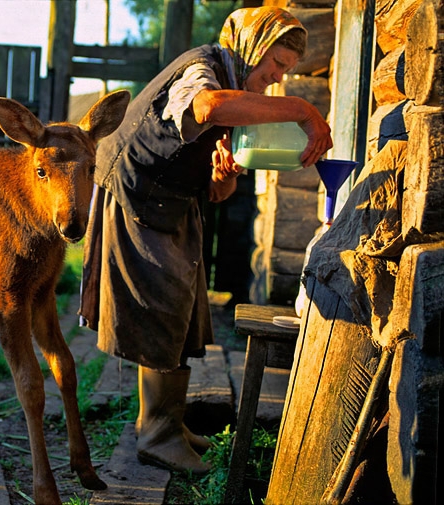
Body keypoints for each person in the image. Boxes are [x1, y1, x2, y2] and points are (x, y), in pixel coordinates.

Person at [79, 6, 333, 473]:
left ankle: (167, 424)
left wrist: (223, 175)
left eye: (286, 72)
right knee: (161, 303)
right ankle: (156, 434)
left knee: (179, 307)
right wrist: (303, 109)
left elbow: (218, 189)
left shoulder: (237, 88)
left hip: (173, 199)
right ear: (252, 46)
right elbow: (206, 108)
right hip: (138, 193)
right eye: (274, 64)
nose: (276, 78)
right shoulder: (204, 70)